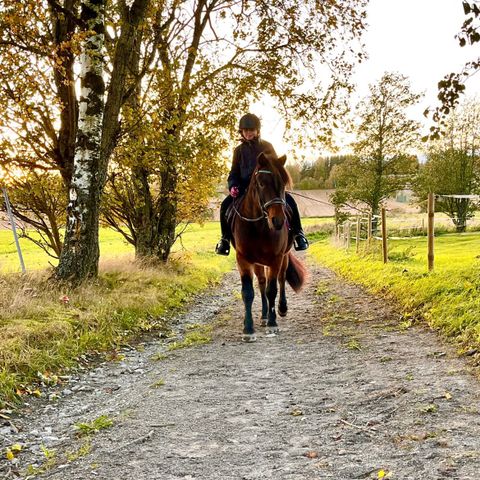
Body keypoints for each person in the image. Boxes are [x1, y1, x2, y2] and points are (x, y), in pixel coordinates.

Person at [215, 113, 309, 256]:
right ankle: (225, 239)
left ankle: (298, 234)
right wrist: (233, 186)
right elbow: (234, 172)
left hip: (268, 189)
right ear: (242, 132)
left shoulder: (267, 146)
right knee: (225, 205)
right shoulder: (238, 151)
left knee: (290, 201)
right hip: (245, 189)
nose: (248, 133)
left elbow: (277, 167)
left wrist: (277, 185)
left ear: (257, 131)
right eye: (245, 130)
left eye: (251, 130)